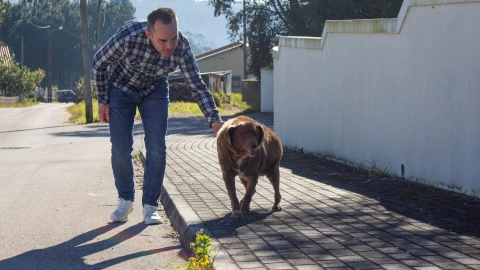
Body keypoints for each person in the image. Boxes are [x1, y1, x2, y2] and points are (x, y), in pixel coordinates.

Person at [92, 7, 223, 225]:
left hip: (155, 89)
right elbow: (98, 62)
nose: (170, 46)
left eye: (173, 38)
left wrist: (214, 119)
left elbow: (197, 85)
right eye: (163, 41)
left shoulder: (182, 47)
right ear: (148, 34)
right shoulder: (129, 37)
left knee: (157, 147)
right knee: (121, 147)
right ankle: (125, 200)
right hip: (120, 89)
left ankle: (150, 206)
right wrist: (103, 99)